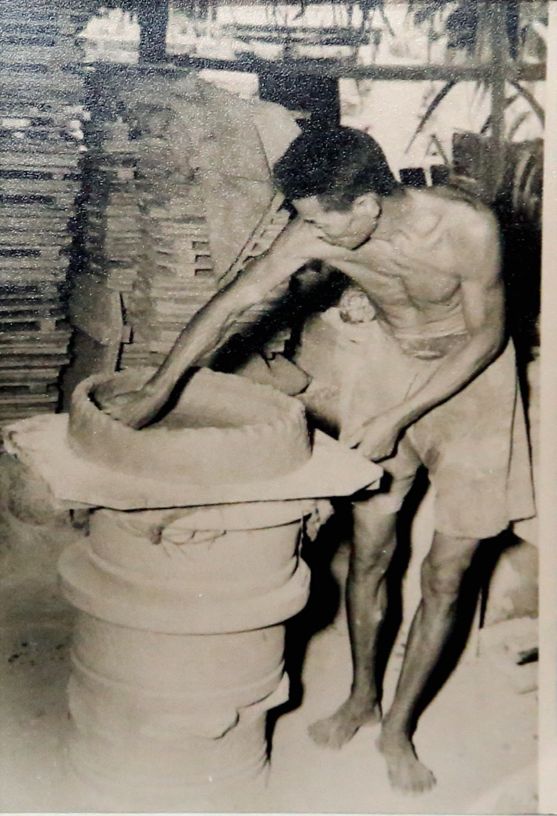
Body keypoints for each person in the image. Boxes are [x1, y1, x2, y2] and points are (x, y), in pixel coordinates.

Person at [97, 126, 535, 793]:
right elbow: (232, 304)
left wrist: (395, 419)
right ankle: (362, 697)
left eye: (312, 218)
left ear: (364, 205)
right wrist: (159, 388)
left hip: (475, 387)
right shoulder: (319, 231)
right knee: (370, 550)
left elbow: (485, 338)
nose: (302, 232)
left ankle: (399, 729)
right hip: (388, 367)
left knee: (446, 576)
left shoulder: (464, 228)